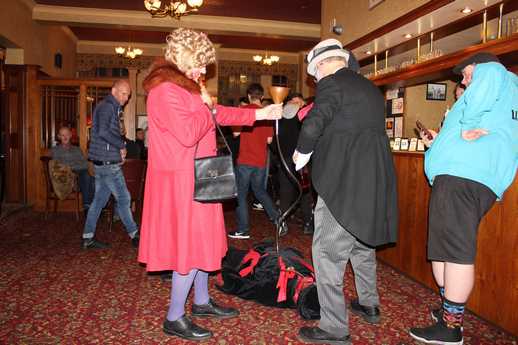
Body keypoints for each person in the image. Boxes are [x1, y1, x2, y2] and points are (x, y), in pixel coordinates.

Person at [137, 28, 282, 342]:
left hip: (202, 175)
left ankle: (200, 302)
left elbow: (217, 115)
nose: (203, 70)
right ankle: (174, 316)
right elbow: (190, 131)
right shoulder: (164, 90)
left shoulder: (186, 88)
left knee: (205, 243)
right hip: (181, 182)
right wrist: (206, 106)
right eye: (200, 63)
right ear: (183, 59)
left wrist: (259, 114)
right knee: (188, 248)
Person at [293, 38, 398, 344]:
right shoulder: (370, 88)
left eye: (315, 73)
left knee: (326, 252)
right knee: (362, 243)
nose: (316, 79)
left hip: (344, 183)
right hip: (374, 182)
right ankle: (369, 302)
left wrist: (302, 152)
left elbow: (316, 121)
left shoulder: (331, 84)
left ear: (323, 65)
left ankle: (334, 327)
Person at [409, 53, 518, 344]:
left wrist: (467, 120)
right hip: (463, 176)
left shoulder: (494, 71)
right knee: (445, 250)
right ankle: (449, 311)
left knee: (454, 251)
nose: (464, 81)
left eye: (467, 74)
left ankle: (451, 327)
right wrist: (440, 139)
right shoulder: (506, 94)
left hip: (462, 176)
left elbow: (489, 76)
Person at [82, 80, 140, 249]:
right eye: (123, 94)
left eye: (128, 96)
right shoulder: (108, 106)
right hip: (107, 163)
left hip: (103, 161)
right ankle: (134, 234)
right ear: (113, 91)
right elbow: (103, 132)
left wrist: (118, 148)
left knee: (99, 200)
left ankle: (88, 237)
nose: (125, 98)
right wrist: (121, 146)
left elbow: (106, 133)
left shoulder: (110, 106)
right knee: (124, 198)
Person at [228, 83, 286, 240]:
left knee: (240, 195)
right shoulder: (266, 114)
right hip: (260, 161)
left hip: (245, 160)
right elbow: (269, 140)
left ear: (248, 96)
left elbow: (235, 134)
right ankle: (279, 221)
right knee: (260, 191)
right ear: (262, 97)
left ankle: (243, 229)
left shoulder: (243, 112)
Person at [275, 93, 314, 234]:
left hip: (285, 158)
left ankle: (283, 224)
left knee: (285, 192)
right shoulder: (304, 115)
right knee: (304, 192)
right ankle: (308, 223)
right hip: (301, 158)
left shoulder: (279, 115)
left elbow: (275, 140)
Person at [51, 126, 94, 215]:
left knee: (91, 177)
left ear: (70, 135)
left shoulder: (77, 149)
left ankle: (91, 206)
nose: (65, 137)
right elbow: (59, 166)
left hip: (79, 175)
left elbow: (85, 164)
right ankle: (88, 207)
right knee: (86, 175)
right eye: (62, 135)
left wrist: (71, 166)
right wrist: (73, 166)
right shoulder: (55, 150)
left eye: (67, 134)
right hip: (66, 177)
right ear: (59, 137)